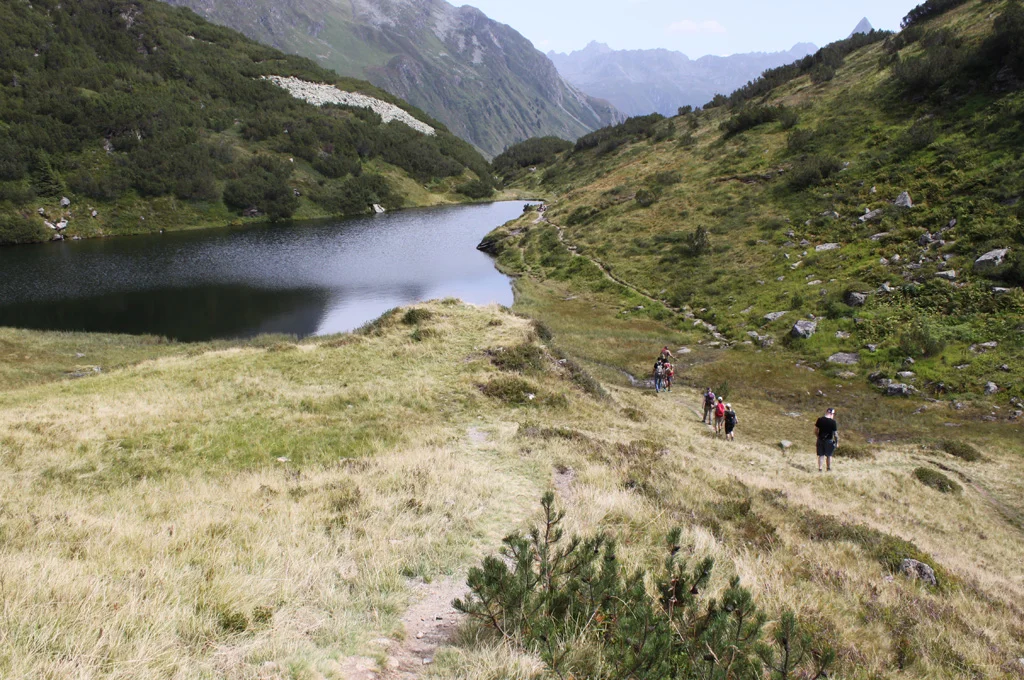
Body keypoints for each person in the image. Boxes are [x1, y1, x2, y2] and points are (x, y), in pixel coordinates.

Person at [814, 407, 839, 472]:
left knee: (821, 455)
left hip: (820, 439)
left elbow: (816, 430)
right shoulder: (833, 422)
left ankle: (820, 469)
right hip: (829, 440)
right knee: (829, 455)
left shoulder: (820, 419)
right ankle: (828, 469)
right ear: (831, 414)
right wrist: (837, 442)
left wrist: (818, 437)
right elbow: (835, 434)